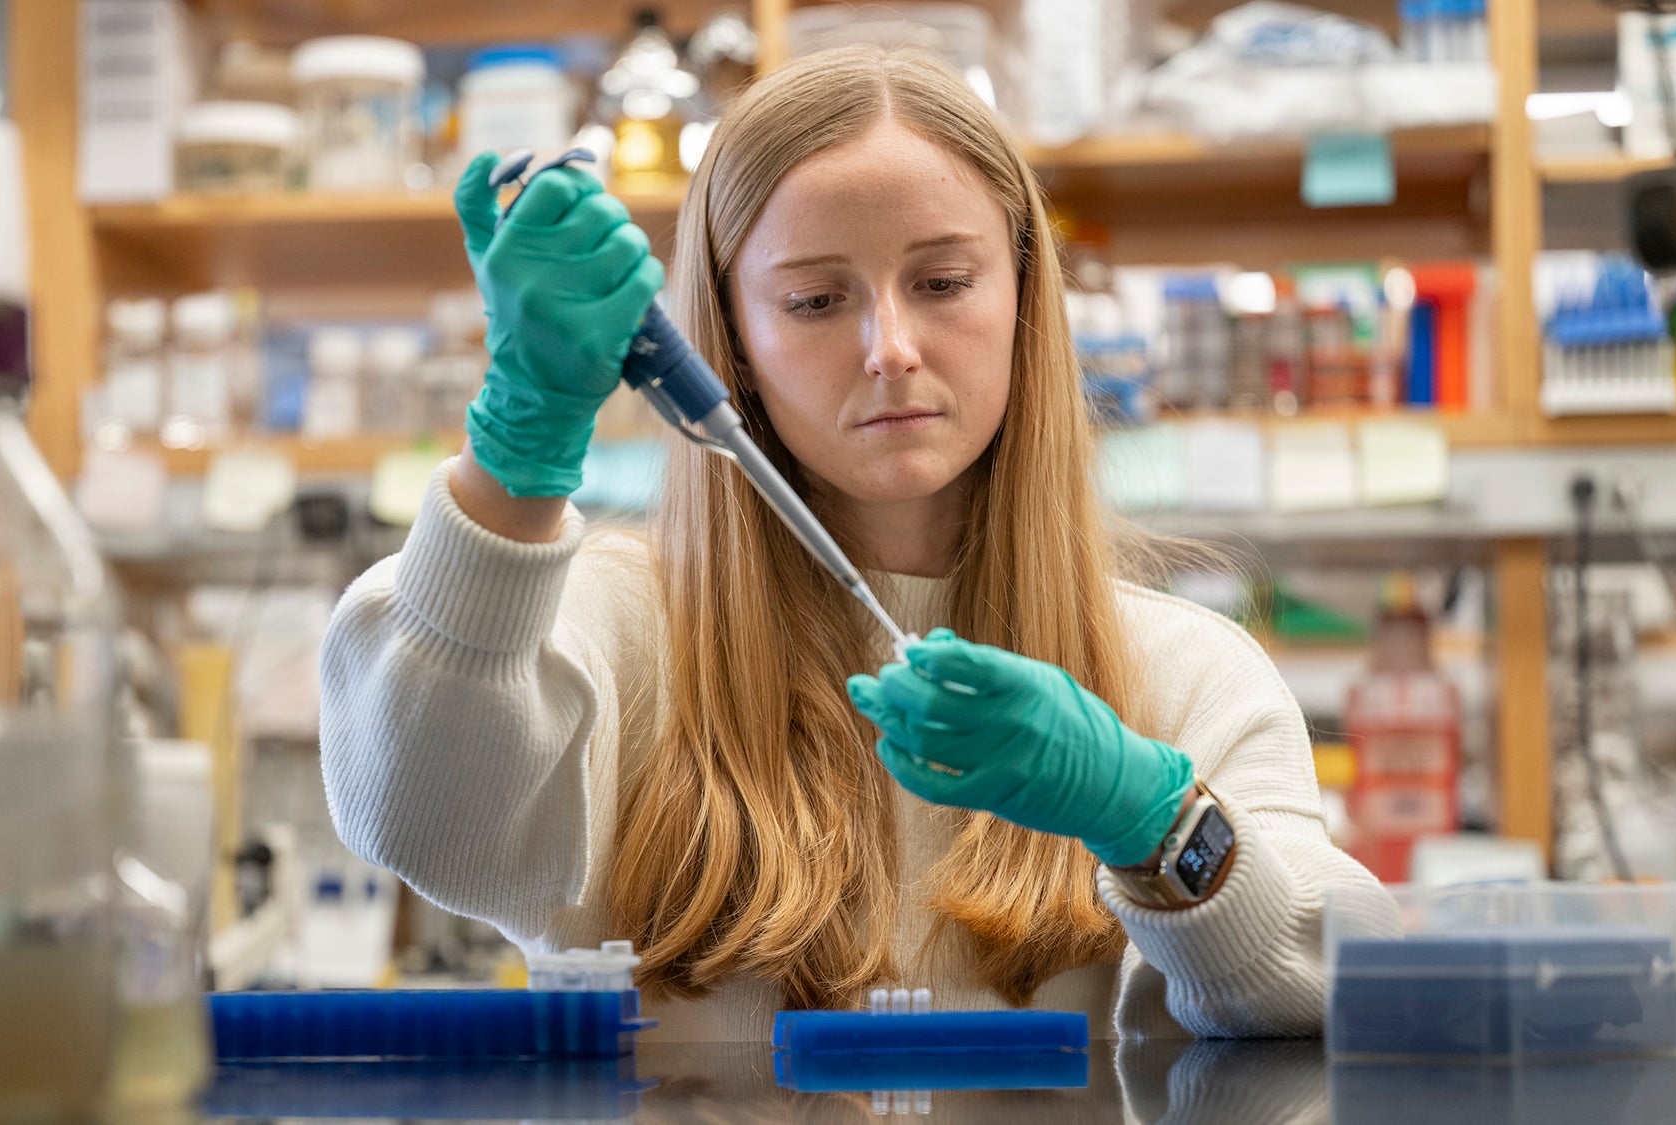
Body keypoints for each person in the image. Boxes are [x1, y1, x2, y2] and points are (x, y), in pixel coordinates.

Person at [321, 44, 1393, 1042]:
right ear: (729, 341)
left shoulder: (1182, 676)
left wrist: (1156, 825)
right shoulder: (618, 631)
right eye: (815, 299)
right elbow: (415, 813)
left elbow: (1347, 990)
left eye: (940, 282)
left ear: (1024, 296)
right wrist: (518, 443)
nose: (888, 348)